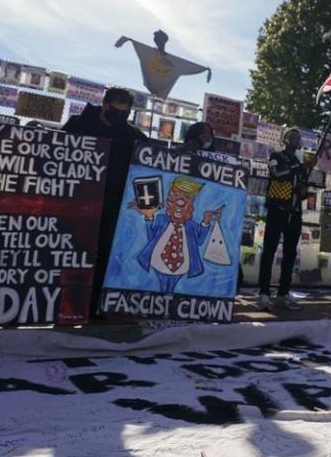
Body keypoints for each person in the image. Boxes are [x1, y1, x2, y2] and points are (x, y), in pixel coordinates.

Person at [62, 88, 146, 314]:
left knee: (107, 253)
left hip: (113, 204)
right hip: (77, 200)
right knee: (73, 251)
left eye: (124, 113)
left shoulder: (131, 135)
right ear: (104, 105)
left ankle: (95, 307)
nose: (120, 116)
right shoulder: (78, 125)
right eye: (115, 111)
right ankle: (66, 304)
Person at [131, 176, 224, 293]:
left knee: (169, 290)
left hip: (181, 267)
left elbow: (200, 241)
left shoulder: (191, 226)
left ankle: (166, 300)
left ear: (191, 204)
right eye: (176, 195)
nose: (181, 201)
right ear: (170, 200)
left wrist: (206, 221)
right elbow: (151, 237)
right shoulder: (161, 219)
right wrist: (149, 216)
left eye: (187, 197)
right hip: (158, 263)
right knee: (163, 289)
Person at [257, 128, 312, 310]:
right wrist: (301, 168)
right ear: (285, 140)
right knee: (269, 251)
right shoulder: (276, 156)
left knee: (290, 255)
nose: (296, 139)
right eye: (293, 136)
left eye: (298, 137)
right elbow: (277, 174)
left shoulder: (297, 161)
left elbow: (301, 188)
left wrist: (304, 191)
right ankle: (264, 293)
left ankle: (283, 294)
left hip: (295, 213)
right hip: (277, 210)